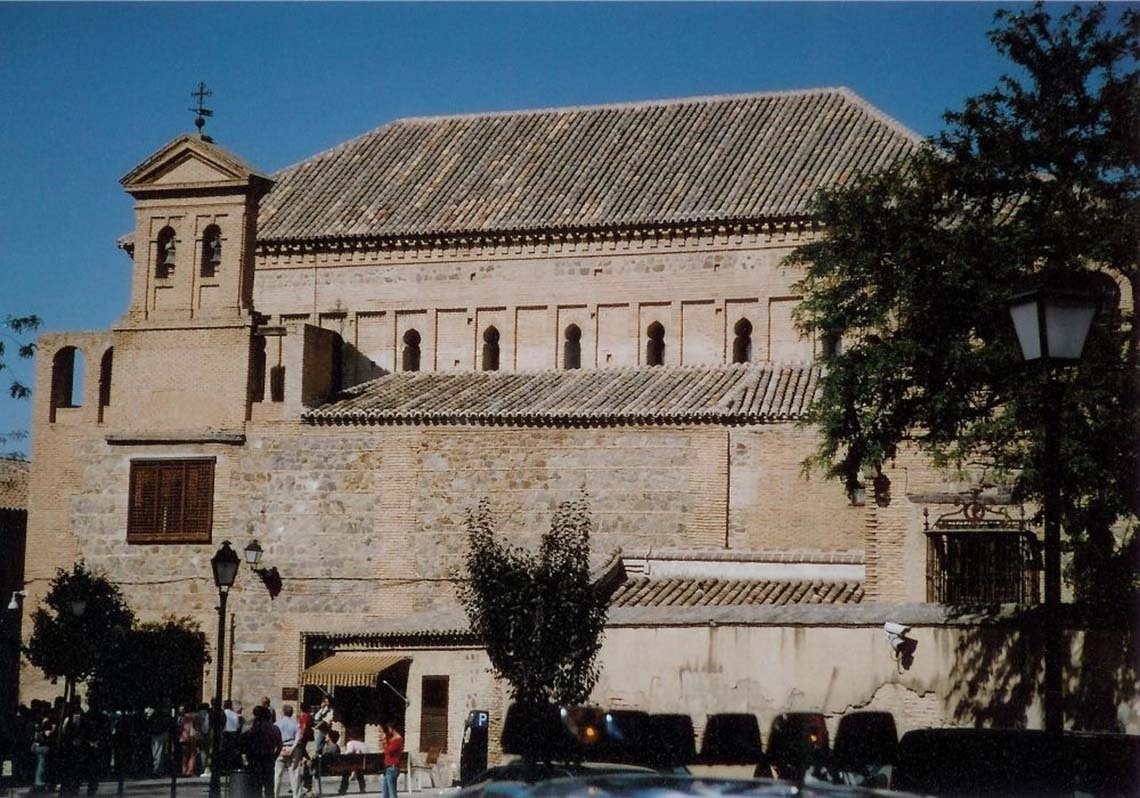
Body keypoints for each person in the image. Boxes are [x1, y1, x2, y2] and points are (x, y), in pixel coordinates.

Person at [241, 705, 283, 798]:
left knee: (255, 787)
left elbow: (243, 743)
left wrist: (245, 757)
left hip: (254, 759)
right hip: (268, 759)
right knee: (269, 787)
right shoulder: (274, 729)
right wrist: (274, 757)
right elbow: (279, 745)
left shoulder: (250, 728)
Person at [274, 705, 299, 797]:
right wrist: (292, 748)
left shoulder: (277, 724)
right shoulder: (296, 724)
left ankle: (275, 794)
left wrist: (279, 748)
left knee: (277, 774)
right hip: (292, 748)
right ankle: (296, 795)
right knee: (294, 773)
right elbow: (298, 737)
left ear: (283, 712)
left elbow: (274, 738)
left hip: (280, 748)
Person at [380, 721, 403, 798]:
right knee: (385, 794)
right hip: (388, 768)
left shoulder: (397, 740)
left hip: (392, 768)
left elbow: (388, 751)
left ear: (393, 729)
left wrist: (384, 743)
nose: (388, 730)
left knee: (392, 793)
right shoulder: (392, 740)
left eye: (389, 728)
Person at [222, 700, 242, 773]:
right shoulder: (235, 714)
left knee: (224, 751)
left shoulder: (222, 713)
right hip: (233, 734)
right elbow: (237, 726)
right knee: (232, 751)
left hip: (225, 733)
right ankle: (231, 767)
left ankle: (224, 767)